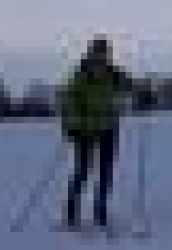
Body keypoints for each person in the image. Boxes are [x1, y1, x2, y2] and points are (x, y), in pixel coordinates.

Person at [59, 36, 137, 230]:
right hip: (84, 130)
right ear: (91, 53)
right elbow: (68, 103)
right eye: (98, 53)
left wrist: (146, 94)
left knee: (105, 172)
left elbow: (132, 86)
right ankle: (71, 214)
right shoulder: (81, 75)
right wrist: (70, 126)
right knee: (83, 172)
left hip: (109, 128)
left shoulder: (114, 74)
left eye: (104, 53)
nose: (102, 57)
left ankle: (100, 213)